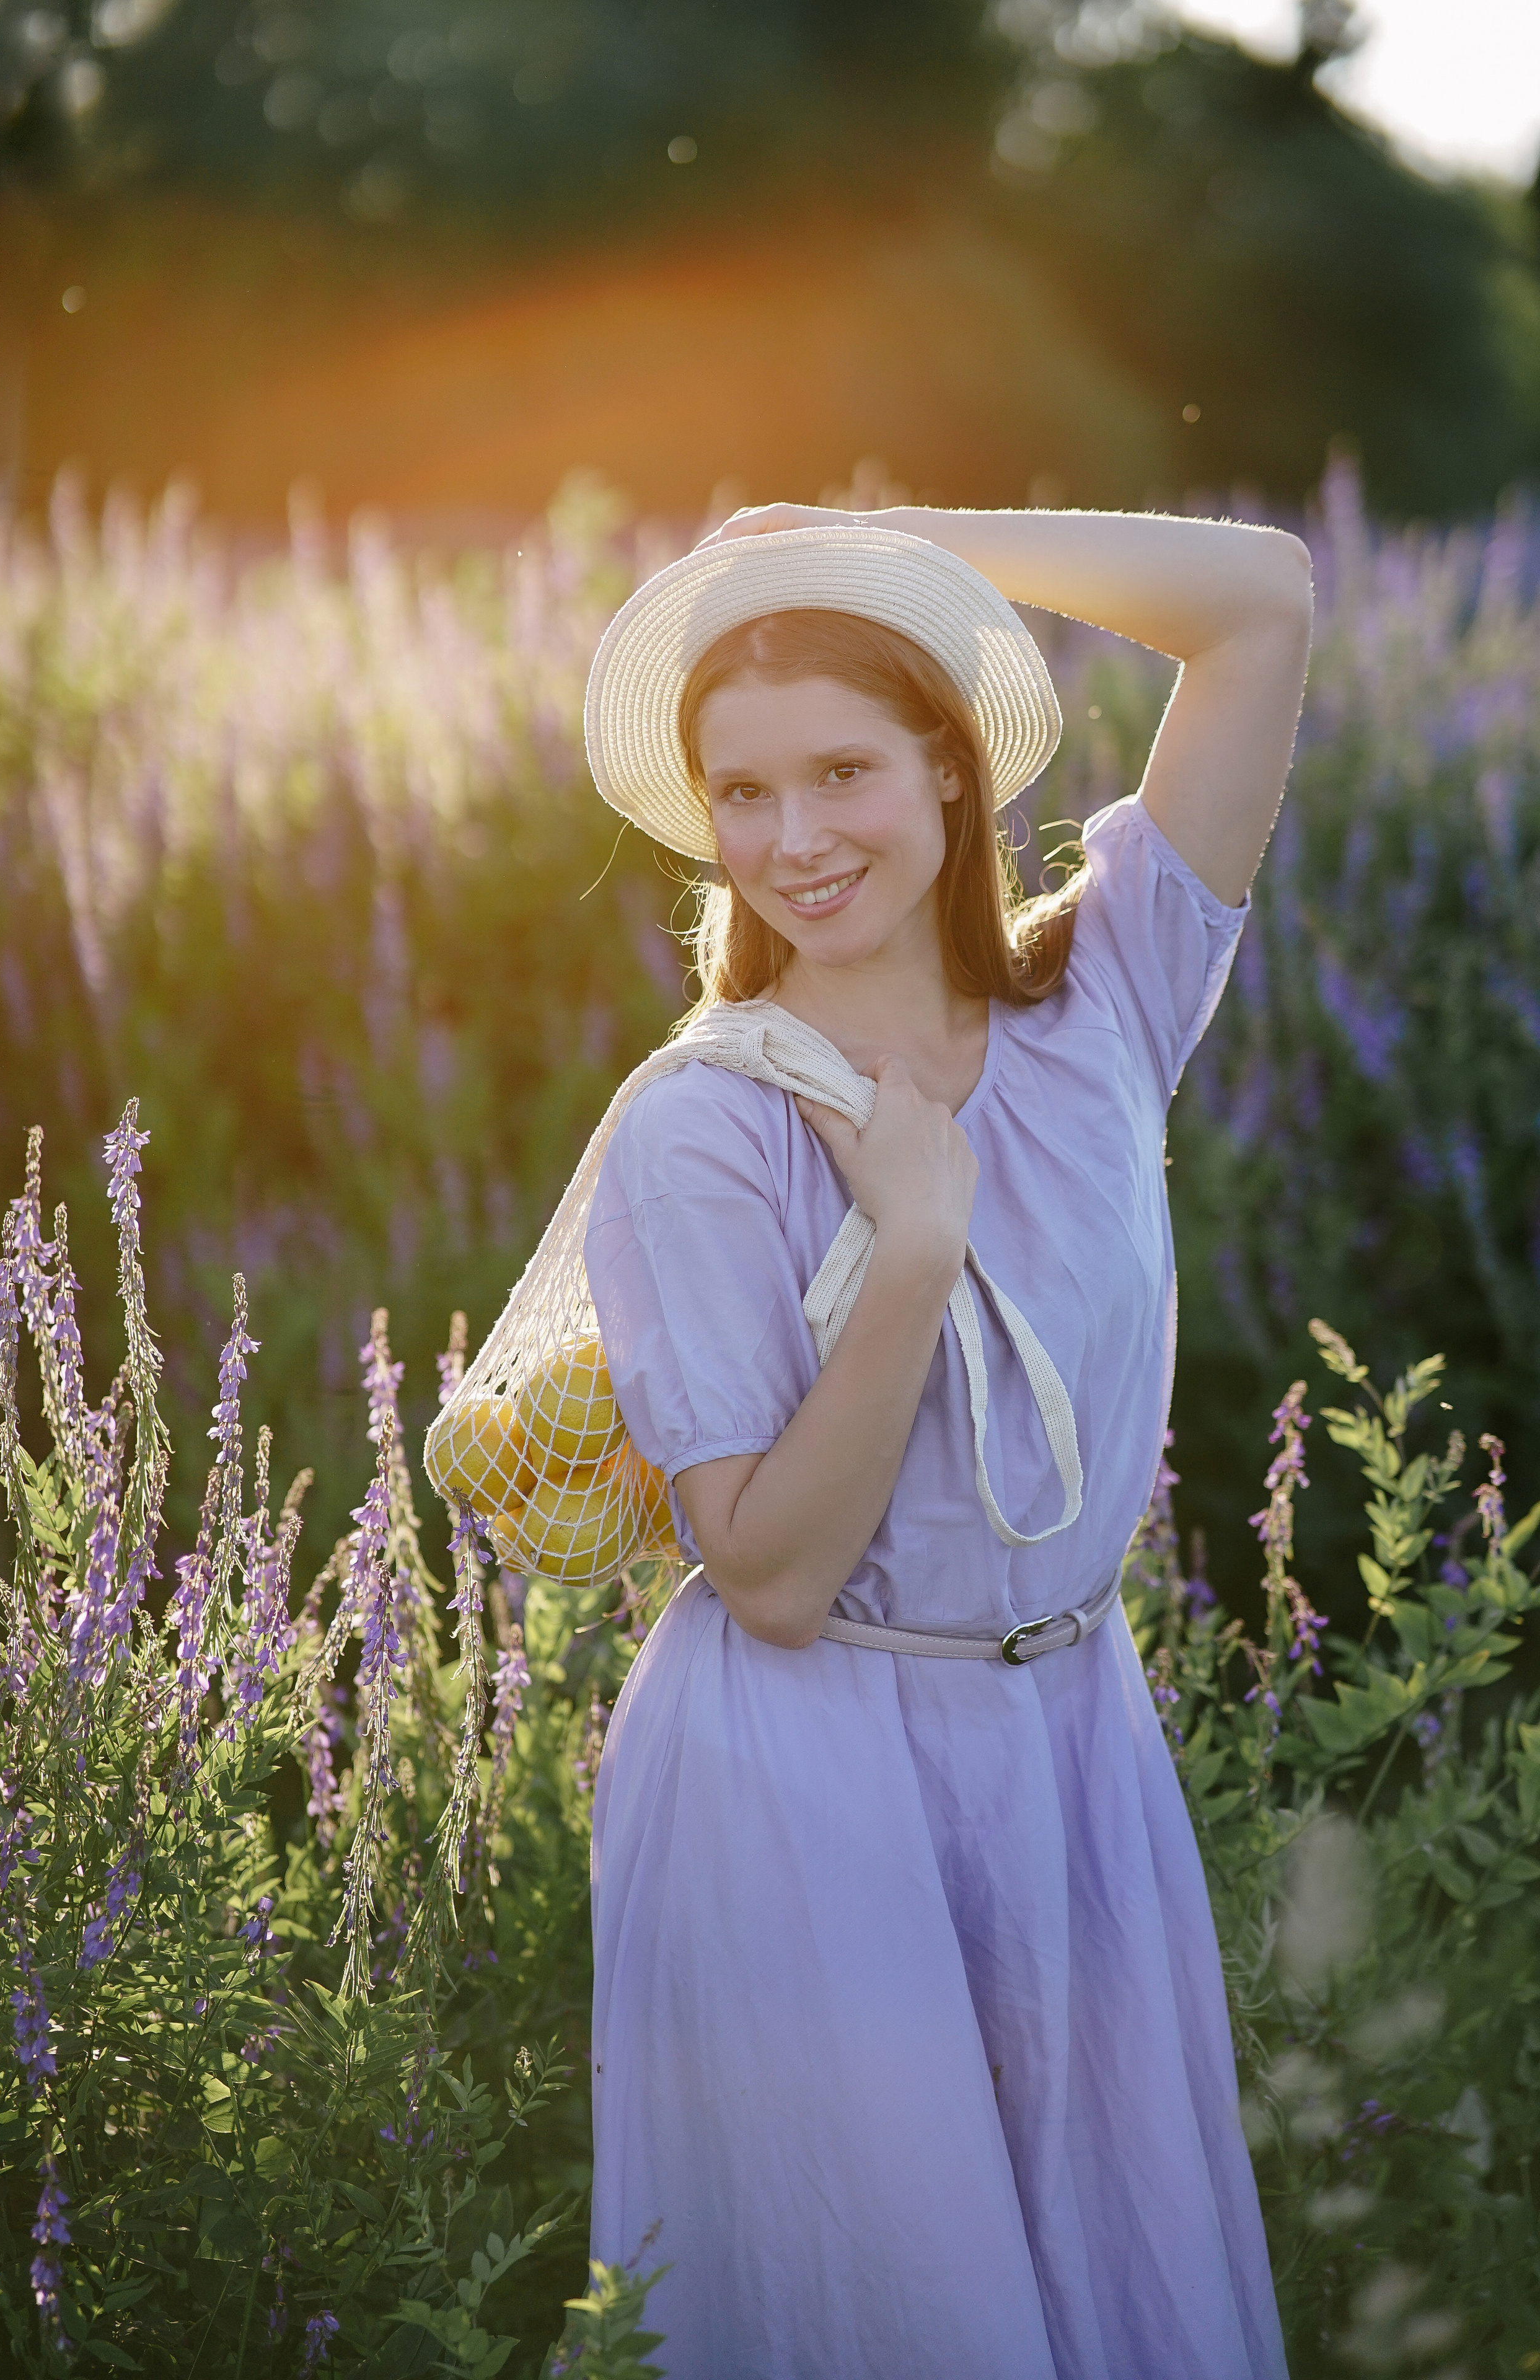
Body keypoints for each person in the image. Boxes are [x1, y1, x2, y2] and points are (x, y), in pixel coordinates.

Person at [578, 500, 1312, 2379]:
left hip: (1071, 1737)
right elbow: (773, 1572)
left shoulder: (1102, 1001)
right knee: (905, 2318)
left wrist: (876, 543)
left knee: (1114, 2286)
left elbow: (1262, 602)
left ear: (955, 771)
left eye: (842, 770)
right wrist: (911, 1246)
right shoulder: (705, 1127)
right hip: (813, 1778)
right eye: (742, 793)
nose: (794, 838)